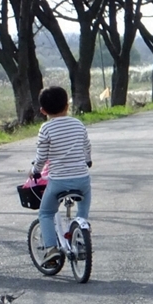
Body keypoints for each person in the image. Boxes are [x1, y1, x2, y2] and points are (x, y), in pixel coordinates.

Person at [30, 86, 91, 264]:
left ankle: (51, 249)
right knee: (83, 206)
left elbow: (42, 156)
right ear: (67, 105)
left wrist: (36, 170)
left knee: (46, 213)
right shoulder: (78, 124)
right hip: (82, 179)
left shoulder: (46, 128)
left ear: (43, 111)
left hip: (58, 181)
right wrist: (87, 160)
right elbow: (87, 146)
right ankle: (80, 236)